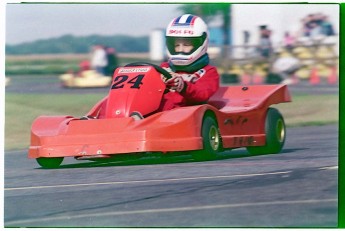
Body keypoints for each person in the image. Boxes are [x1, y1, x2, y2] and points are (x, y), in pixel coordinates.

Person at [158, 14, 220, 112]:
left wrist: (182, 85)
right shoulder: (164, 68)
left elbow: (202, 93)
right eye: (177, 45)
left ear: (200, 43)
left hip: (187, 115)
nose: (180, 49)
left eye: (186, 45)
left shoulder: (209, 72)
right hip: (159, 115)